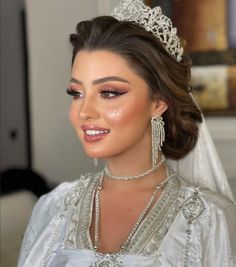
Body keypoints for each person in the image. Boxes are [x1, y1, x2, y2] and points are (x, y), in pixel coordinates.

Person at [18, 0, 236, 266]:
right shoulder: (52, 208)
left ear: (158, 102)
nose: (84, 111)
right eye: (76, 93)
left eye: (109, 92)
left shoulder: (207, 220)